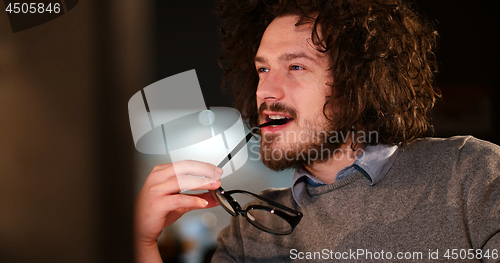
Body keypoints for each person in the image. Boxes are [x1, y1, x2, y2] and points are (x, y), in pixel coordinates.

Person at [135, 0, 500, 262]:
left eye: (295, 66)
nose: (266, 91)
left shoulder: (471, 174)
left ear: (358, 81)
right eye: (262, 70)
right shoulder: (252, 231)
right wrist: (142, 243)